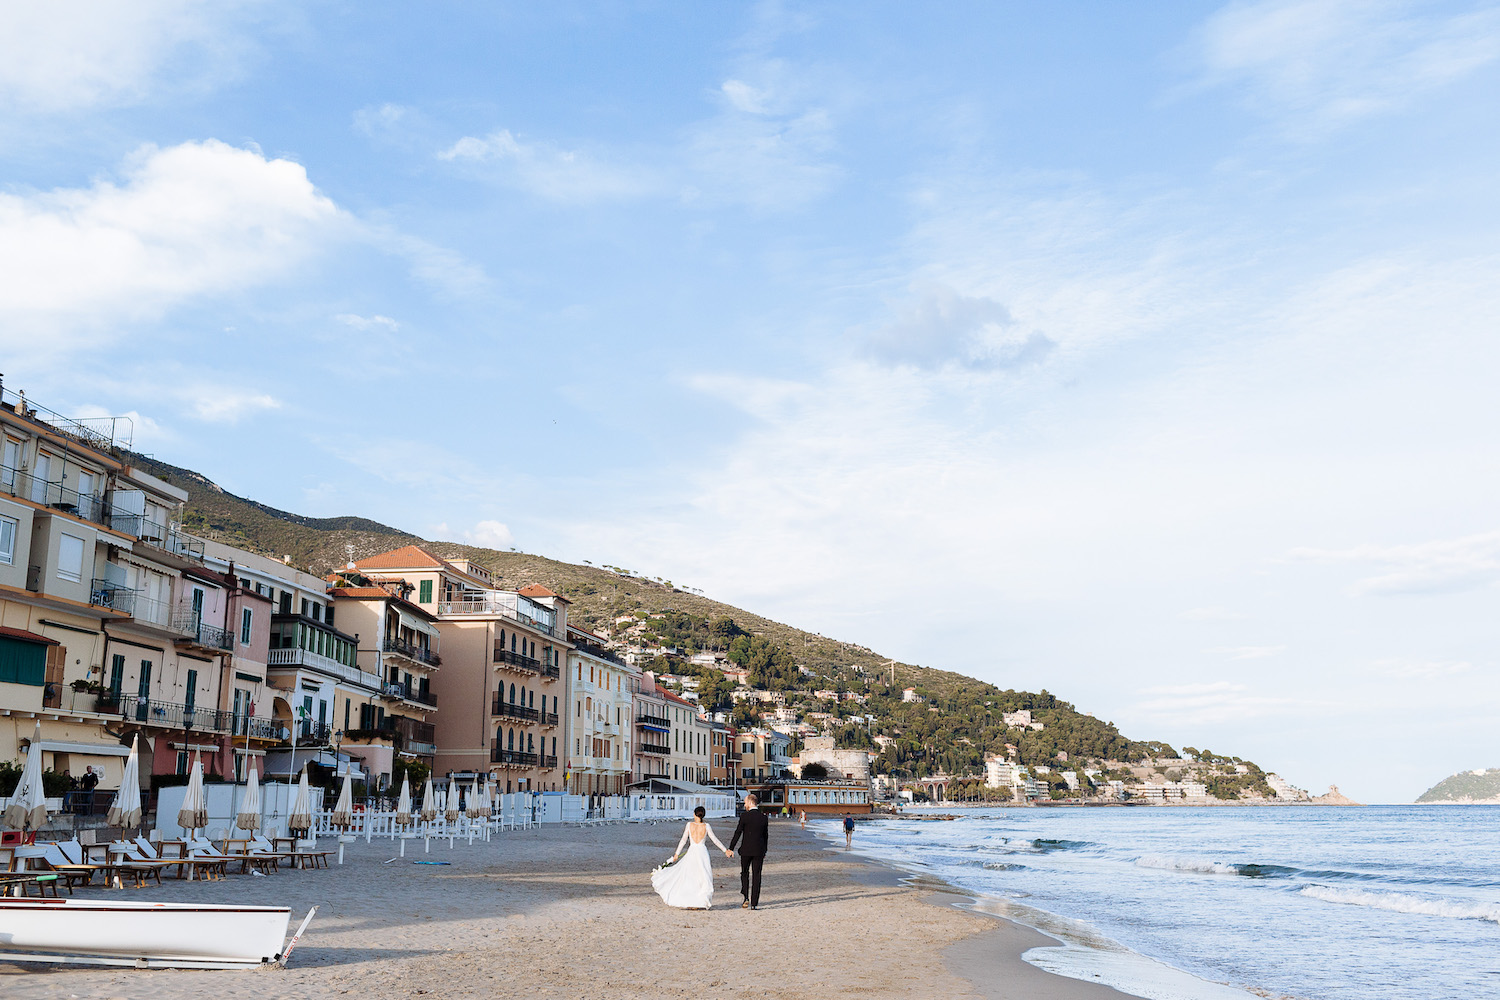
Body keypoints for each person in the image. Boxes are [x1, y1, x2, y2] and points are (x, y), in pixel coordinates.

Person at [651, 805, 729, 910]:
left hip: (693, 851)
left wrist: (676, 854)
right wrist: (725, 850)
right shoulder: (706, 826)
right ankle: (701, 900)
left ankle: (693, 901)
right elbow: (715, 840)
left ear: (694, 814)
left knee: (691, 876)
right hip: (702, 852)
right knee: (703, 876)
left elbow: (683, 840)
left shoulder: (689, 825)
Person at [728, 793, 769, 910]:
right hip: (759, 850)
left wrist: (731, 848)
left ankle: (746, 897)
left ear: (751, 802)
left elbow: (738, 833)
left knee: (744, 873)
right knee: (757, 876)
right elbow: (765, 836)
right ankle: (754, 903)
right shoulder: (763, 818)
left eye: (745, 802)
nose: (744, 805)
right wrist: (764, 850)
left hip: (746, 850)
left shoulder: (744, 817)